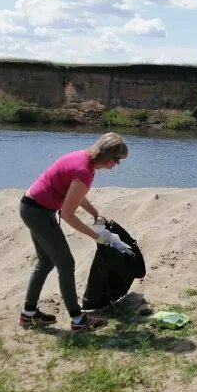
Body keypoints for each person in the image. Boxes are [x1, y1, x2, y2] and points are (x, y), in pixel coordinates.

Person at [18, 132, 128, 331]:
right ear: (107, 154)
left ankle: (29, 314)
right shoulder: (84, 170)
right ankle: (78, 321)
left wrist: (95, 213)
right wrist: (98, 237)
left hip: (33, 207)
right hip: (38, 212)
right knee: (66, 264)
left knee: (45, 262)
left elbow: (75, 193)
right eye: (117, 159)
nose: (117, 164)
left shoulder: (84, 159)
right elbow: (68, 215)